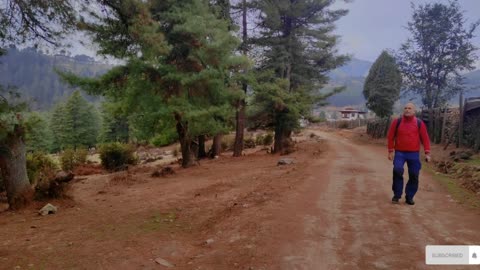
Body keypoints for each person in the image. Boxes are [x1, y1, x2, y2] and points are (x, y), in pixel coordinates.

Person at [387, 103, 431, 205]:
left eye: (409, 108)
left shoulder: (419, 123)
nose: (407, 110)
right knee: (397, 170)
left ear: (414, 111)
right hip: (400, 153)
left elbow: (425, 138)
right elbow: (390, 137)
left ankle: (409, 196)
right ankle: (397, 195)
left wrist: (427, 153)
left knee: (414, 175)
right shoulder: (397, 122)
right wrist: (390, 151)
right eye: (405, 108)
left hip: (414, 154)